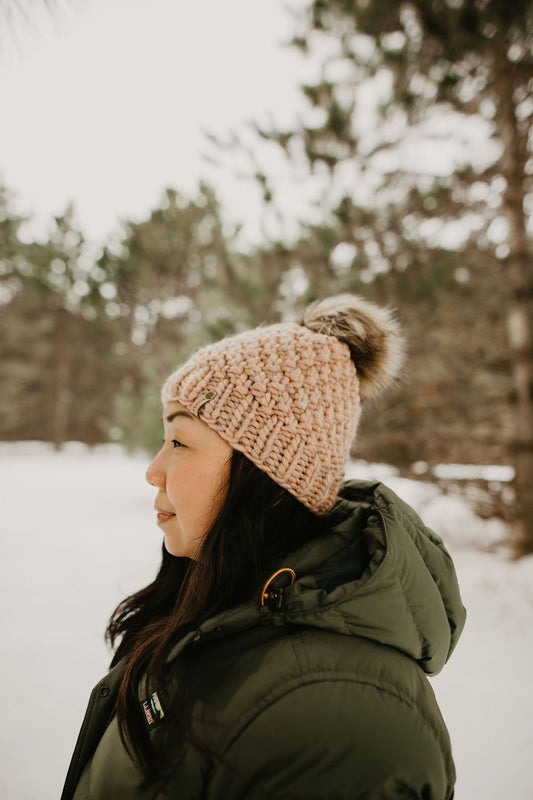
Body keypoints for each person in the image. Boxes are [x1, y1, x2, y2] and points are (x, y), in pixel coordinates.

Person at [61, 294, 466, 800]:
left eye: (180, 442)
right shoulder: (216, 615)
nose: (154, 469)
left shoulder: (339, 719)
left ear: (266, 478)